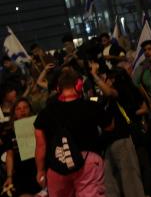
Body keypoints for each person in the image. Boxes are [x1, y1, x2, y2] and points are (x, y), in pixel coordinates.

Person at [34, 67, 113, 197]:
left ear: (58, 88)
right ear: (79, 84)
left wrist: (40, 170)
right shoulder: (91, 106)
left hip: (57, 164)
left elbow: (41, 146)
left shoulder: (45, 114)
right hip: (88, 162)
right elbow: (109, 126)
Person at [90, 63, 146, 197]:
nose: (105, 81)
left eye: (108, 78)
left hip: (122, 139)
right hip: (108, 142)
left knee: (130, 180)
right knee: (111, 184)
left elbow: (109, 92)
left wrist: (94, 74)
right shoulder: (108, 99)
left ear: (115, 79)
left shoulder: (122, 88)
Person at [2, 98, 42, 197]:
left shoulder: (38, 127)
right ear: (14, 113)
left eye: (25, 107)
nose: (22, 111)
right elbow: (10, 155)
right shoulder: (10, 132)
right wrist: (9, 176)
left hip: (38, 169)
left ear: (30, 110)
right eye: (18, 109)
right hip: (21, 173)